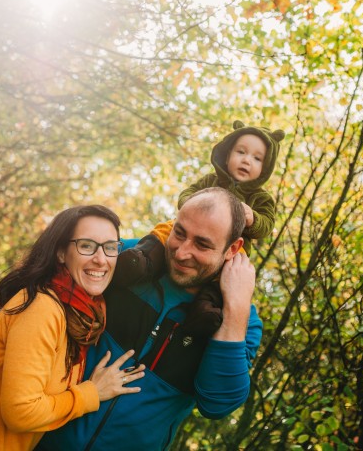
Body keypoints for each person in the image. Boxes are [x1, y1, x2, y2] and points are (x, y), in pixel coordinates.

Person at [0, 188, 263, 450]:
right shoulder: (130, 260)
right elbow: (46, 283)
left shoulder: (238, 320)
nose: (182, 252)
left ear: (232, 249)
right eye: (179, 233)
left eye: (202, 244)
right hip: (40, 440)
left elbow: (217, 404)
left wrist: (235, 311)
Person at [0, 205, 145, 451]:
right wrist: (91, 393)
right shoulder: (43, 308)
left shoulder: (79, 316)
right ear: (61, 253)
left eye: (110, 247)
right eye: (86, 246)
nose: (100, 258)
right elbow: (20, 412)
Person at [115, 120, 284, 335]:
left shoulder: (260, 198)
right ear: (227, 153)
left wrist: (253, 219)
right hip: (189, 226)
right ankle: (143, 259)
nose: (246, 160)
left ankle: (207, 309)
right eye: (241, 152)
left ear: (265, 167)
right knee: (166, 229)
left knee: (232, 272)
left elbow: (267, 226)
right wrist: (194, 204)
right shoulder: (211, 180)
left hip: (229, 250)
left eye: (256, 158)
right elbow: (187, 195)